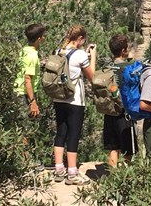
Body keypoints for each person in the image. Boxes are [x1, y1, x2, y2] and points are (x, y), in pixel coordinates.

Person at [52, 25, 96, 186]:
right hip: (75, 100)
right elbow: (92, 76)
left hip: (58, 98)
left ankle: (59, 169)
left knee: (60, 133)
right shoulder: (80, 55)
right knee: (73, 135)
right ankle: (72, 172)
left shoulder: (58, 51)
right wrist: (93, 56)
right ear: (80, 39)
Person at [104, 34, 138, 167]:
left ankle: (113, 177)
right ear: (124, 50)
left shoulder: (107, 67)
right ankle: (127, 177)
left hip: (110, 110)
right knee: (128, 150)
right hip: (125, 112)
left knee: (114, 147)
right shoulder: (129, 67)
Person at [14, 23, 46, 119]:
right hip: (24, 94)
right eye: (43, 35)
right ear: (39, 39)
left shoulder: (24, 50)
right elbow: (27, 79)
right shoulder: (32, 56)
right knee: (27, 126)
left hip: (19, 91)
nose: (45, 38)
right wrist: (32, 101)